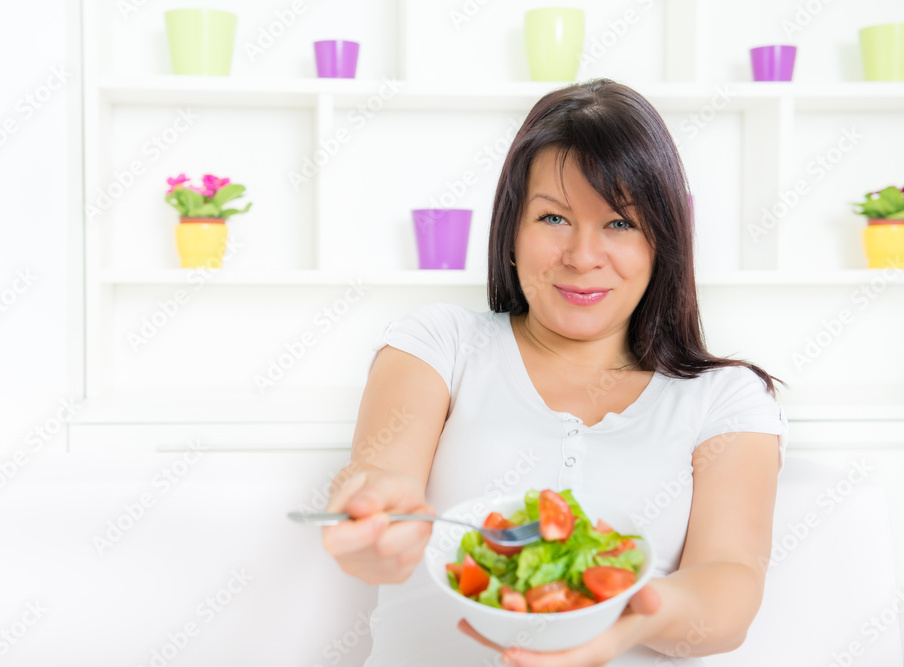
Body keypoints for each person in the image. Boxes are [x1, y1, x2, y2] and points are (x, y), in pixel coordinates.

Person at [321, 78, 788, 667]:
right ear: (512, 231)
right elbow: (379, 477)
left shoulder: (725, 397)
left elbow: (730, 587)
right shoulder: (440, 343)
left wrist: (622, 609)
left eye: (619, 223)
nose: (582, 256)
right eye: (553, 218)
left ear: (661, 244)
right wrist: (372, 519)